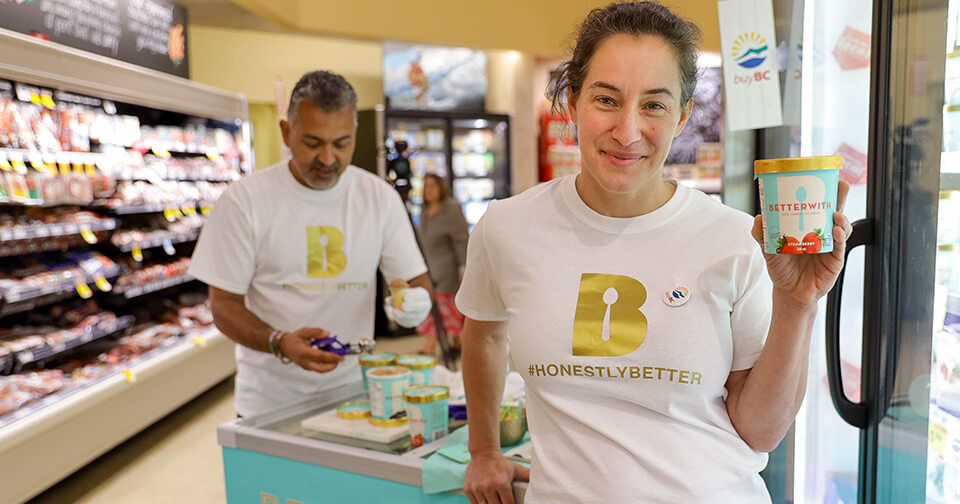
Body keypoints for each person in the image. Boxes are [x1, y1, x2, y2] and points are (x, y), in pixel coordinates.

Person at [456, 3, 853, 504]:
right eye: (606, 99)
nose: (627, 132)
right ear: (573, 99)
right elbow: (483, 336)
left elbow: (759, 432)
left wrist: (797, 304)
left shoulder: (736, 239)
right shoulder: (507, 227)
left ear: (683, 114)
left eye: (654, 105)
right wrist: (483, 450)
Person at [189, 70, 433, 418]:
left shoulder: (379, 198)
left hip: (357, 398)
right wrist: (279, 342)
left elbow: (413, 281)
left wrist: (414, 303)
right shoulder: (245, 201)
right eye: (313, 143)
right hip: (268, 403)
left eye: (342, 143)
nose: (329, 159)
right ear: (287, 132)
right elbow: (224, 305)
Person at [416, 173, 469, 354]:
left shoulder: (451, 210)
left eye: (432, 186)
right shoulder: (424, 212)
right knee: (443, 309)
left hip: (448, 270)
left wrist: (464, 267)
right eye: (426, 186)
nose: (428, 190)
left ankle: (428, 347)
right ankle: (456, 343)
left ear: (441, 188)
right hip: (429, 268)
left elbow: (462, 241)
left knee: (443, 308)